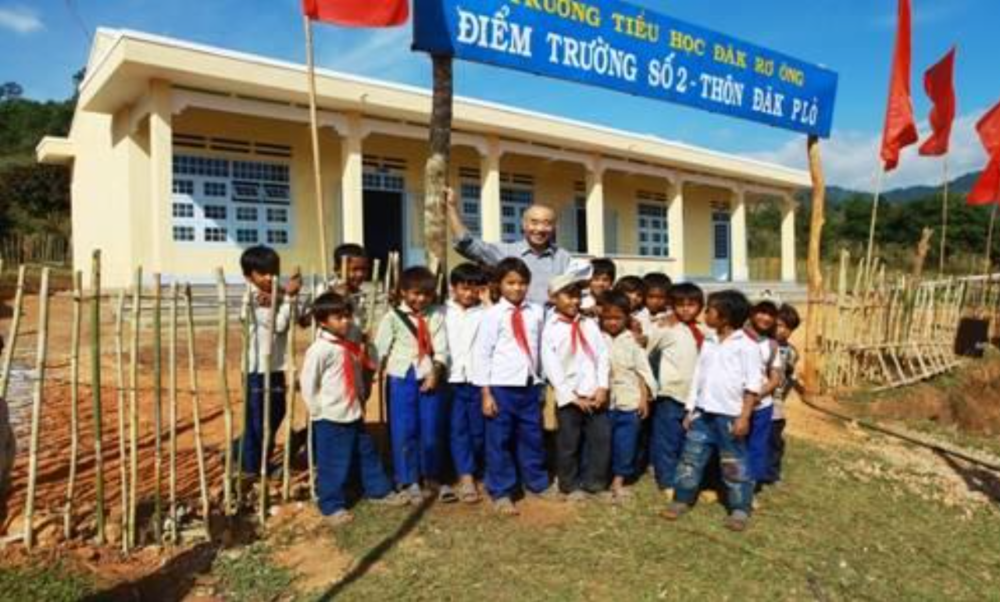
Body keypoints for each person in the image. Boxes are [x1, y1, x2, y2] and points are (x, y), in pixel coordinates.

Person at [300, 292, 407, 526]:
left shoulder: (348, 344)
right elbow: (308, 384)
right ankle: (331, 505)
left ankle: (379, 491)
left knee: (366, 453)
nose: (345, 321)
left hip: (353, 411)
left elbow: (357, 373)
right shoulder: (320, 350)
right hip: (330, 416)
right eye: (338, 317)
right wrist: (318, 411)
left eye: (347, 316)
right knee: (333, 461)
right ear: (322, 321)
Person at [663, 290, 763, 532]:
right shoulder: (708, 340)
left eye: (710, 309)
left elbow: (753, 386)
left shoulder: (747, 346)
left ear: (725, 316)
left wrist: (744, 417)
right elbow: (699, 376)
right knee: (691, 458)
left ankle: (739, 508)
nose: (705, 313)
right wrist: (690, 410)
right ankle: (682, 499)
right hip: (702, 414)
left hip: (730, 416)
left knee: (733, 463)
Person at [473, 257, 554, 515]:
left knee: (532, 436)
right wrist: (486, 393)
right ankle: (502, 490)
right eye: (511, 283)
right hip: (501, 387)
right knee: (499, 439)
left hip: (529, 386)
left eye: (522, 283)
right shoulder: (492, 315)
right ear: (500, 285)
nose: (517, 288)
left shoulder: (536, 312)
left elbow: (543, 345)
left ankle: (537, 482)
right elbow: (482, 354)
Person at [374, 267, 450, 503]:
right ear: (403, 292)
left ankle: (432, 476)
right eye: (415, 294)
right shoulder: (392, 317)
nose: (421, 299)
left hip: (429, 376)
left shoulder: (436, 316)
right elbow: (380, 350)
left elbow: (442, 348)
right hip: (401, 377)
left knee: (430, 428)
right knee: (404, 429)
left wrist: (435, 373)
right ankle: (408, 479)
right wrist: (374, 372)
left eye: (426, 295)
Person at [541, 267, 611, 502]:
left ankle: (595, 482)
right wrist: (571, 396)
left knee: (600, 440)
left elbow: (601, 355)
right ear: (552, 298)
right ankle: (569, 485)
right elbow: (552, 367)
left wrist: (602, 387)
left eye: (577, 296)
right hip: (570, 397)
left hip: (594, 393)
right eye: (567, 295)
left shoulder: (589, 324)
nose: (574, 300)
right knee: (568, 444)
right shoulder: (550, 330)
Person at [445, 188, 571, 305]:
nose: (540, 229)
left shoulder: (563, 258)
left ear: (554, 228)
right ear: (523, 225)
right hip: (516, 324)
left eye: (547, 224)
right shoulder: (506, 252)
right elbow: (467, 244)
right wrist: (451, 207)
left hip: (553, 325)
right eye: (534, 222)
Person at [239, 245, 301, 476]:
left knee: (277, 411)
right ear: (248, 276)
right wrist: (288, 298)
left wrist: (284, 297)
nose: (269, 278)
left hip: (275, 366)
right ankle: (252, 466)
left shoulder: (274, 295)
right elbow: (280, 325)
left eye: (273, 272)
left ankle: (249, 453)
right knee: (257, 418)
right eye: (262, 273)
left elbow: (294, 317)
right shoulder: (253, 299)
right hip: (257, 369)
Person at [647, 282, 705, 496]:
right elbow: (645, 350)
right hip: (671, 394)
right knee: (667, 440)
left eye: (691, 304)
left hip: (698, 397)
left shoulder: (705, 331)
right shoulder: (665, 327)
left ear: (700, 306)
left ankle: (689, 479)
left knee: (691, 441)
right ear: (672, 305)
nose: (685, 309)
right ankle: (667, 481)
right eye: (680, 304)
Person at [601, 291, 657, 503]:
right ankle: (601, 478)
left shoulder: (633, 342)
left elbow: (643, 372)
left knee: (626, 443)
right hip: (604, 403)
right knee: (604, 443)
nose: (612, 322)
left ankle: (619, 480)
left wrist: (644, 398)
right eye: (607, 318)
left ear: (627, 318)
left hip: (629, 402)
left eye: (617, 318)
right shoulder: (597, 338)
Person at [446, 262, 489, 503]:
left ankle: (477, 467)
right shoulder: (443, 311)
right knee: (458, 429)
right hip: (452, 380)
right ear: (453, 288)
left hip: (478, 379)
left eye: (475, 289)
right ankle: (466, 477)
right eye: (464, 288)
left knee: (478, 430)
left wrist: (488, 302)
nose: (469, 294)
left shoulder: (486, 313)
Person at [745, 300, 783, 486]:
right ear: (751, 313)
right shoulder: (737, 338)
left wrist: (757, 395)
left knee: (757, 445)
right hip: (735, 401)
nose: (765, 318)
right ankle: (728, 483)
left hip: (762, 404)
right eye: (761, 312)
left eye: (770, 314)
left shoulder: (772, 345)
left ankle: (749, 487)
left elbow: (775, 378)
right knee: (733, 444)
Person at [765, 304, 802, 485]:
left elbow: (791, 378)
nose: (782, 331)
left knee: (774, 441)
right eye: (779, 325)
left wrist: (780, 398)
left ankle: (772, 474)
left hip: (775, 405)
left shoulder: (792, 353)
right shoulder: (762, 344)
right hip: (756, 400)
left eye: (788, 328)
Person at [615, 276, 650, 344]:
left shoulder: (643, 313)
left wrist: (638, 333)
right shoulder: (608, 308)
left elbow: (645, 338)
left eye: (639, 295)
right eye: (630, 292)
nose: (634, 297)